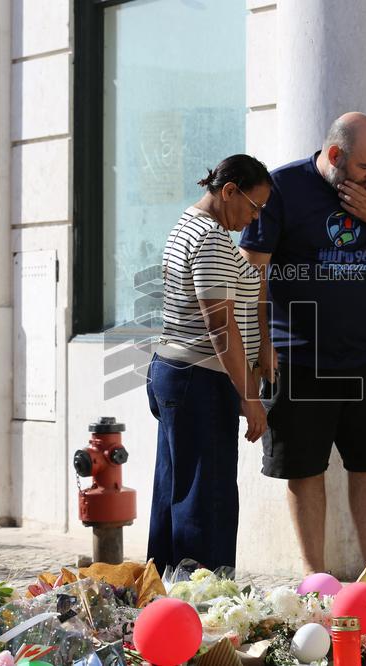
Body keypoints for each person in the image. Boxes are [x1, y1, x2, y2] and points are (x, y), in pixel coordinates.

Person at [239, 112, 366, 574]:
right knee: (305, 472)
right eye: (364, 167)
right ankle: (314, 580)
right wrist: (261, 346)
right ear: (336, 155)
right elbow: (249, 273)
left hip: (365, 357)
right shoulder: (282, 188)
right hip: (298, 360)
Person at [146, 154, 274, 572]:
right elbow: (220, 327)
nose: (254, 220)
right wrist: (249, 395)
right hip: (199, 379)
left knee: (176, 496)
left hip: (179, 374)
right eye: (253, 207)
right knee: (205, 504)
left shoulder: (189, 224)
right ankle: (203, 616)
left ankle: (163, 608)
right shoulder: (212, 239)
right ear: (229, 191)